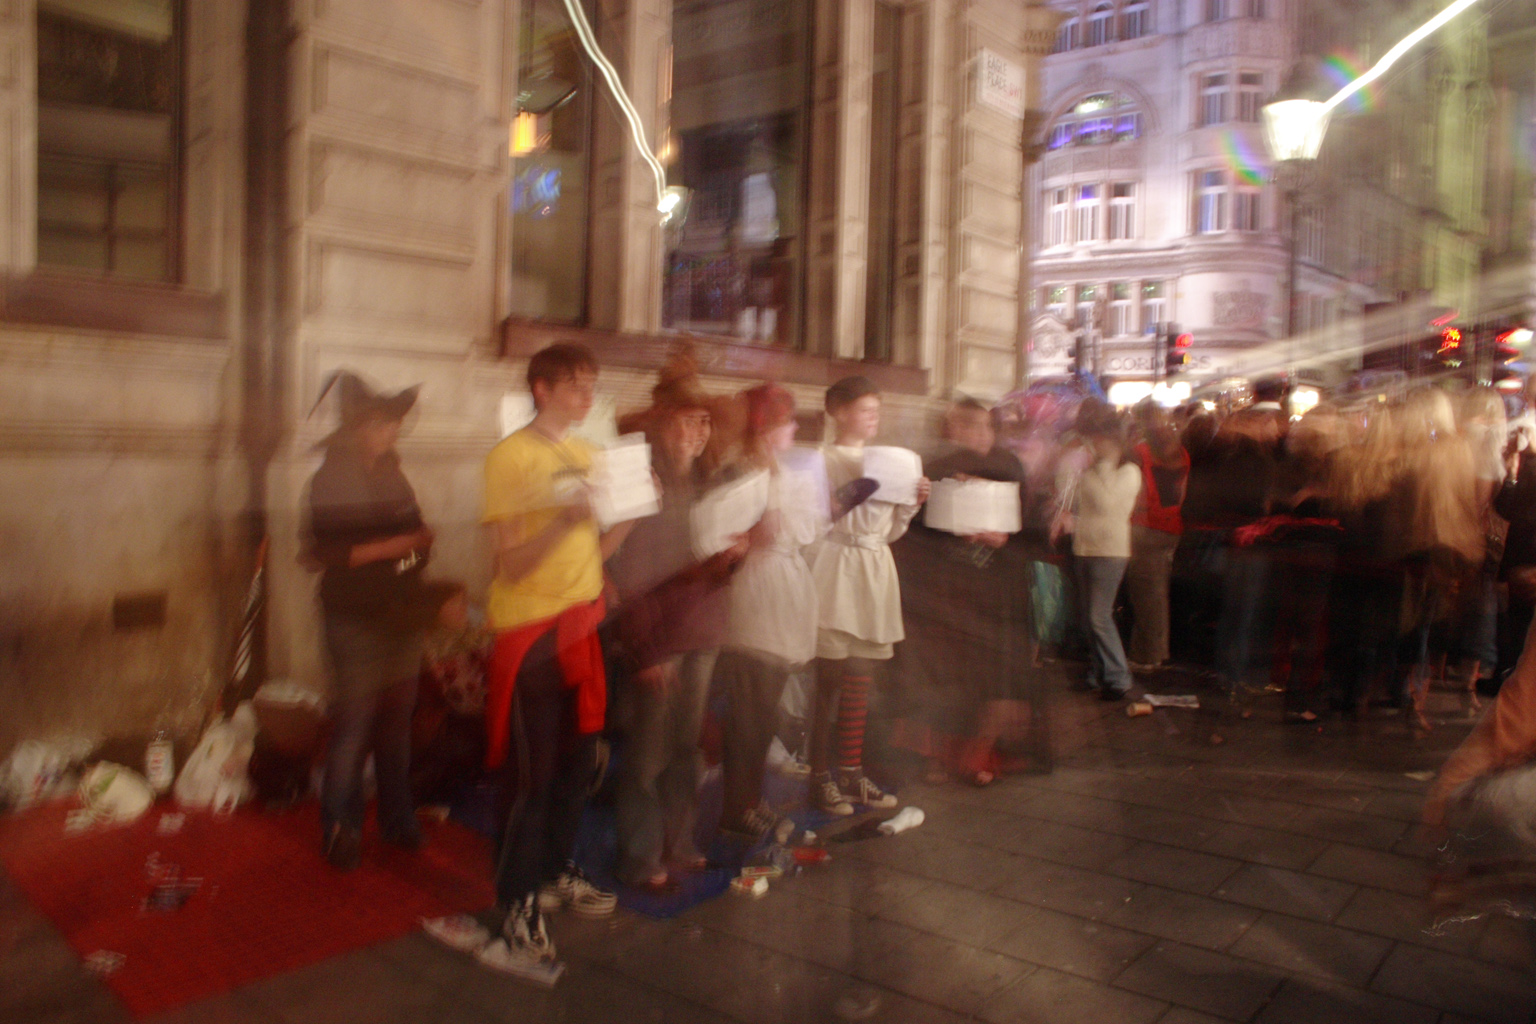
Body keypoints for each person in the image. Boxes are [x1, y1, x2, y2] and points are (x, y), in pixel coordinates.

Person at [476, 342, 637, 978]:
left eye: (591, 385)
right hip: (532, 631)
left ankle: (554, 869)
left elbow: (599, 547)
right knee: (533, 774)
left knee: (579, 763)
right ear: (541, 388)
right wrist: (563, 520)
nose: (586, 397)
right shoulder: (510, 457)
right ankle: (516, 901)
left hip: (583, 624)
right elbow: (511, 563)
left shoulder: (589, 454)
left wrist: (629, 511)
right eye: (574, 385)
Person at [608, 358, 746, 890]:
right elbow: (624, 571)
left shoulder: (708, 479)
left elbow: (709, 563)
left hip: (702, 628)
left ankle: (678, 840)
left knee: (686, 744)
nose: (697, 432)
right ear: (661, 422)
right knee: (647, 750)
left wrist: (735, 553)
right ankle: (639, 856)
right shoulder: (641, 479)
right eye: (687, 420)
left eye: (703, 422)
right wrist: (642, 650)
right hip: (658, 634)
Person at [304, 371, 435, 871]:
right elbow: (335, 553)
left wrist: (407, 553)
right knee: (355, 722)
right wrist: (401, 546)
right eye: (381, 425)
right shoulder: (330, 480)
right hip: (352, 617)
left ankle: (398, 820)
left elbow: (419, 531)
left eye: (393, 426)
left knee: (396, 724)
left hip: (399, 614)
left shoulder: (393, 475)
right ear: (358, 428)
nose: (390, 434)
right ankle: (341, 826)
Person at [891, 398, 1031, 785]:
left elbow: (1029, 524)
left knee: (989, 676)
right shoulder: (933, 469)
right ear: (953, 430)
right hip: (947, 587)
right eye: (970, 427)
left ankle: (978, 753)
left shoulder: (1009, 466)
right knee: (944, 678)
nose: (979, 435)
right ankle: (938, 756)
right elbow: (911, 529)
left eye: (986, 427)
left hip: (995, 586)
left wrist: (1003, 539)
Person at [807, 376, 929, 814]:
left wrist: (911, 502)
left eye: (877, 409)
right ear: (838, 412)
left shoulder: (892, 459)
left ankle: (851, 773)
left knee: (861, 679)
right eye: (864, 409)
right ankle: (818, 775)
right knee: (828, 680)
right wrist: (850, 494)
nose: (873, 417)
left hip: (874, 567)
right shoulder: (821, 457)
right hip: (836, 566)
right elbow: (812, 518)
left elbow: (892, 531)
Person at [714, 384, 822, 837]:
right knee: (749, 710)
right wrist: (757, 531)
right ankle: (737, 809)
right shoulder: (738, 472)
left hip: (781, 589)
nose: (794, 429)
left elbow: (806, 527)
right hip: (754, 594)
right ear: (767, 426)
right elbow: (724, 536)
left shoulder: (783, 471)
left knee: (763, 711)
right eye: (786, 420)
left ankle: (749, 801)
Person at [1067, 401, 1141, 700]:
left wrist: (1100, 466)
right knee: (1088, 617)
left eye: (1100, 441)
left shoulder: (1129, 471)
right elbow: (1076, 501)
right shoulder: (1092, 469)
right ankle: (1098, 674)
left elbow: (1108, 503)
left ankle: (1119, 677)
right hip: (1084, 546)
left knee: (1099, 616)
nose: (1094, 445)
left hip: (1111, 550)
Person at [1125, 403, 1188, 673]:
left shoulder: (1139, 452)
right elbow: (1182, 492)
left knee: (1146, 596)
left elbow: (1133, 491)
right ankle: (1159, 652)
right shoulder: (1182, 453)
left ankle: (1146, 657)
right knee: (1158, 594)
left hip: (1144, 528)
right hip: (1172, 527)